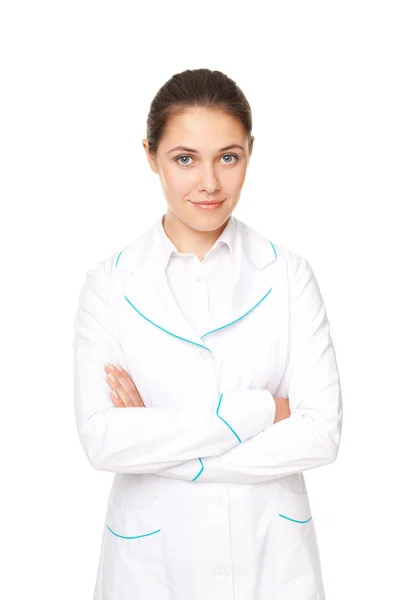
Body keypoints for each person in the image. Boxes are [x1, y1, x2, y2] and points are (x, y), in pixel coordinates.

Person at [73, 68, 343, 600]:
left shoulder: (289, 275)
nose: (210, 183)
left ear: (249, 153)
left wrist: (156, 440)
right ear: (151, 155)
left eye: (228, 156)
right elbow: (103, 441)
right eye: (184, 159)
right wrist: (263, 410)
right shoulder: (108, 284)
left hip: (270, 554)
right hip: (150, 563)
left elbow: (321, 432)